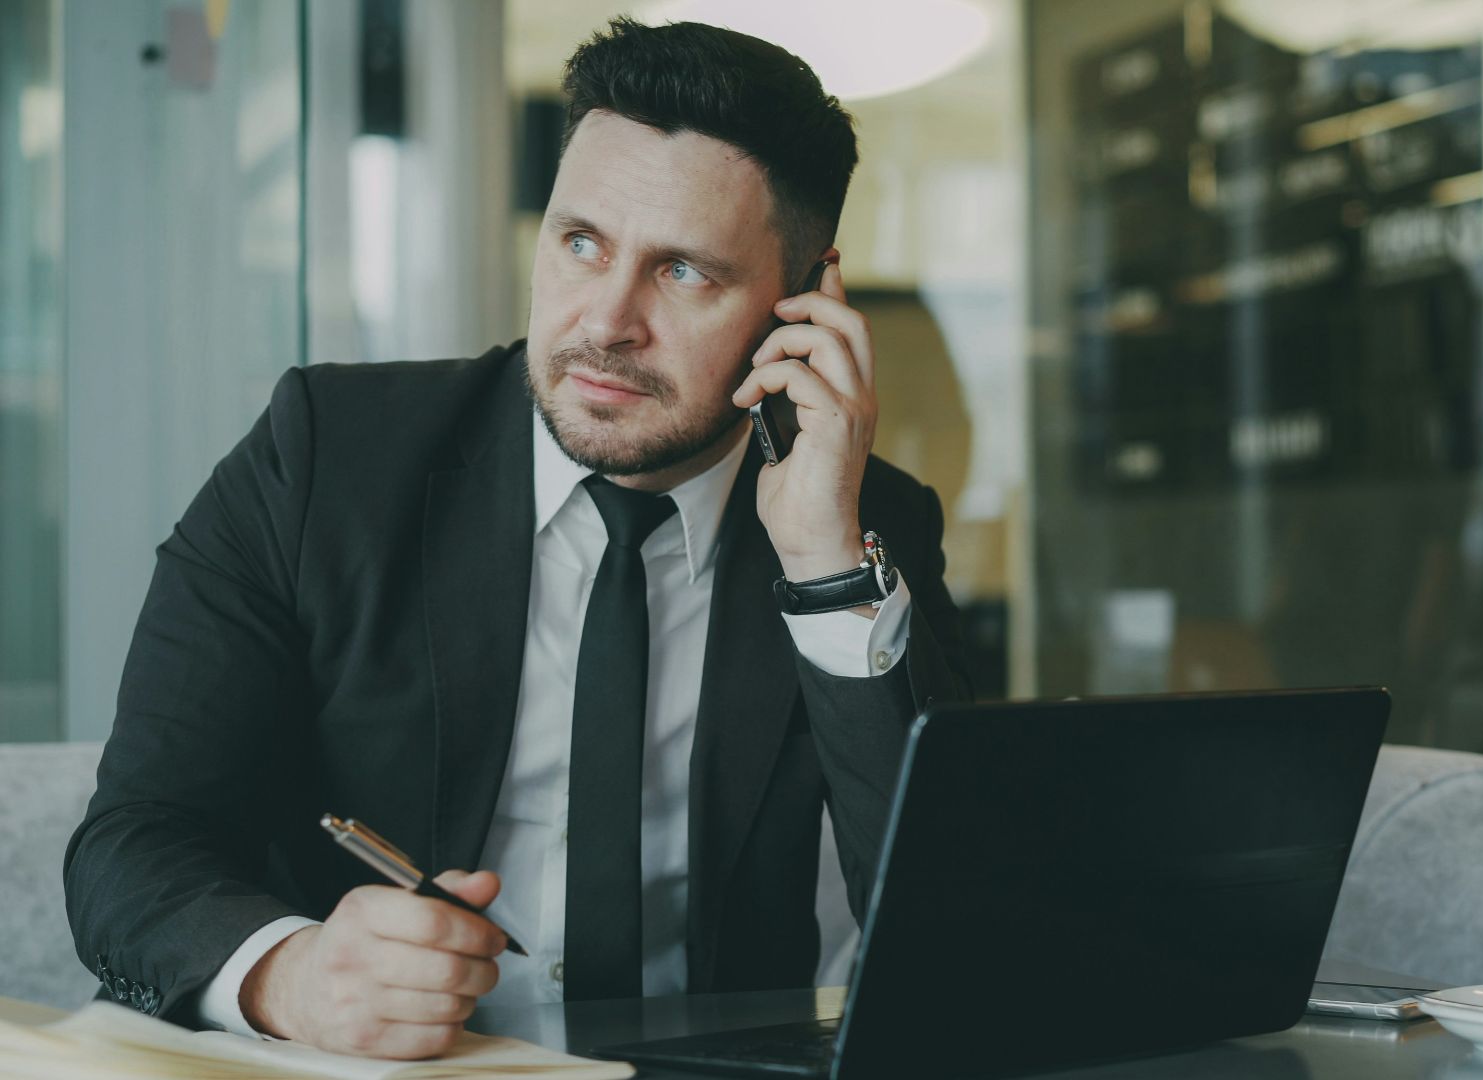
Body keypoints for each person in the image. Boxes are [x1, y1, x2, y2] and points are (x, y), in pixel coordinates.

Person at [64, 17, 968, 1061]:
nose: (606, 320)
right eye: (580, 242)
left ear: (802, 302)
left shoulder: (864, 521)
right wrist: (289, 974)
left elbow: (952, 928)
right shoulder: (323, 458)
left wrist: (822, 566)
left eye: (683, 273)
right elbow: (133, 845)